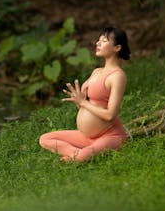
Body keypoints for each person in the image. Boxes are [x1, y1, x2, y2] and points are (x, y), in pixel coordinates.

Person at [39, 27, 131, 162]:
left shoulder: (117, 76)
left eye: (104, 41)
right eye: (98, 41)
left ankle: (80, 156)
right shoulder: (96, 71)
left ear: (117, 48)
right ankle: (78, 154)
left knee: (82, 157)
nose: (97, 44)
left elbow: (111, 115)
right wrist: (79, 103)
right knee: (45, 139)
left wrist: (83, 102)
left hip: (110, 135)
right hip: (88, 137)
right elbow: (87, 106)